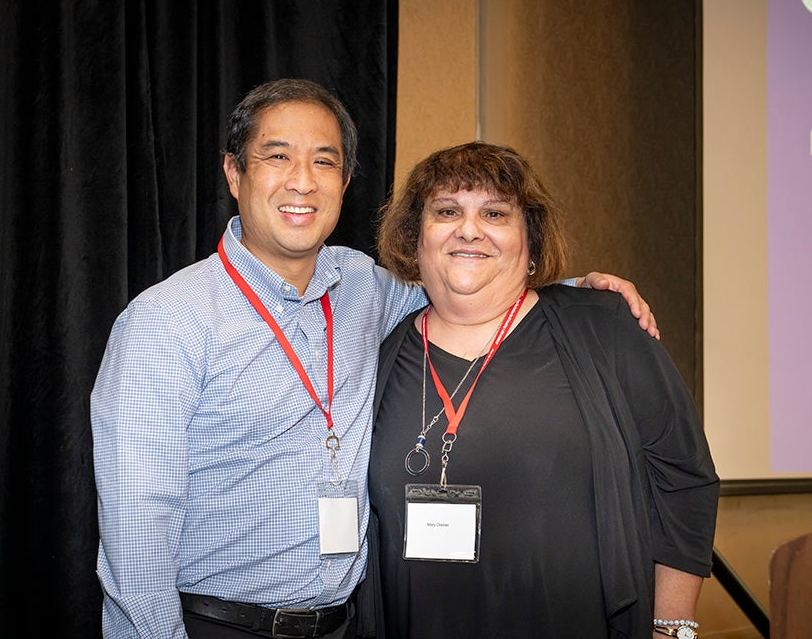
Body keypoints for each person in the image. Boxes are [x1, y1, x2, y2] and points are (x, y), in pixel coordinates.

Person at [91, 79, 657, 639]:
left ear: (345, 182)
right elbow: (136, 539)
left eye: (324, 162)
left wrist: (581, 290)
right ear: (234, 174)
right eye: (277, 156)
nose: (302, 182)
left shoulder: (365, 286)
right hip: (220, 624)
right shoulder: (166, 322)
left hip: (346, 625)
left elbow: (470, 282)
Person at [369, 142, 719, 639]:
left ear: (529, 239)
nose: (469, 229)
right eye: (447, 211)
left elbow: (684, 482)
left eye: (495, 213)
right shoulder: (381, 354)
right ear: (414, 236)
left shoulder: (604, 328)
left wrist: (670, 628)